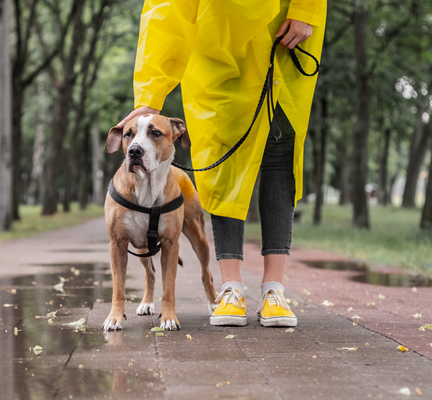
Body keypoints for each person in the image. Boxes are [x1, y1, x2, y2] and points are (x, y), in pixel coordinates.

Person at [117, 0, 326, 327]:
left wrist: (306, 8)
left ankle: (274, 289)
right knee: (220, 166)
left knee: (278, 158)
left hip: (281, 33)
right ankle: (231, 288)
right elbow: (165, 10)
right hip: (214, 50)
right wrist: (149, 95)